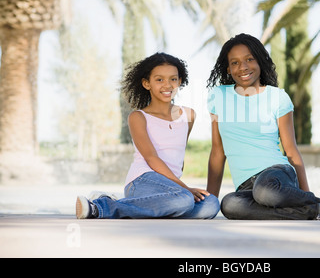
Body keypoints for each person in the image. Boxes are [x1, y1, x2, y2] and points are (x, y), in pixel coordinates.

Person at [206, 33, 320, 220]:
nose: (243, 67)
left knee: (264, 191)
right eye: (235, 62)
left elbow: (291, 150)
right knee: (229, 205)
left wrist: (305, 194)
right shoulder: (218, 96)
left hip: (277, 175)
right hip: (246, 187)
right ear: (228, 69)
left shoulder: (277, 97)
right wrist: (210, 202)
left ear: (260, 61)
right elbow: (217, 152)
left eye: (249, 59)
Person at [76, 52, 220, 219]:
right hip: (142, 180)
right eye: (159, 80)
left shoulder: (188, 115)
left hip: (171, 188)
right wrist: (184, 188)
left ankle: (155, 209)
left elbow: (178, 154)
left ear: (180, 81)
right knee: (184, 199)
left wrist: (181, 189)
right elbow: (151, 158)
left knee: (211, 204)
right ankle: (102, 207)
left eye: (173, 79)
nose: (167, 85)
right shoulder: (138, 117)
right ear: (146, 83)